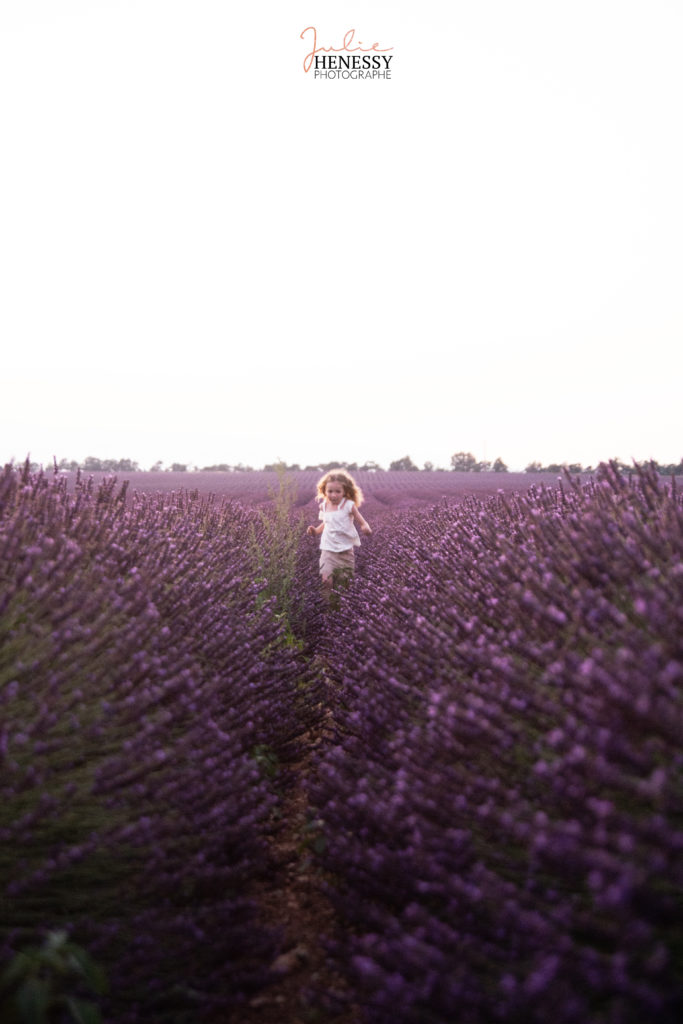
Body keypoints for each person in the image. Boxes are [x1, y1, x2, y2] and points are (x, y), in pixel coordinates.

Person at [307, 468, 371, 599]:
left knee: (344, 585)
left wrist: (365, 527)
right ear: (324, 491)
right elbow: (326, 524)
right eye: (330, 491)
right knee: (326, 581)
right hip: (328, 550)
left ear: (345, 492)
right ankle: (327, 607)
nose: (333, 495)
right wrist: (315, 531)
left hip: (345, 551)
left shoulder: (349, 505)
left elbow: (362, 521)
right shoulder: (324, 506)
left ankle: (342, 607)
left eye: (338, 491)